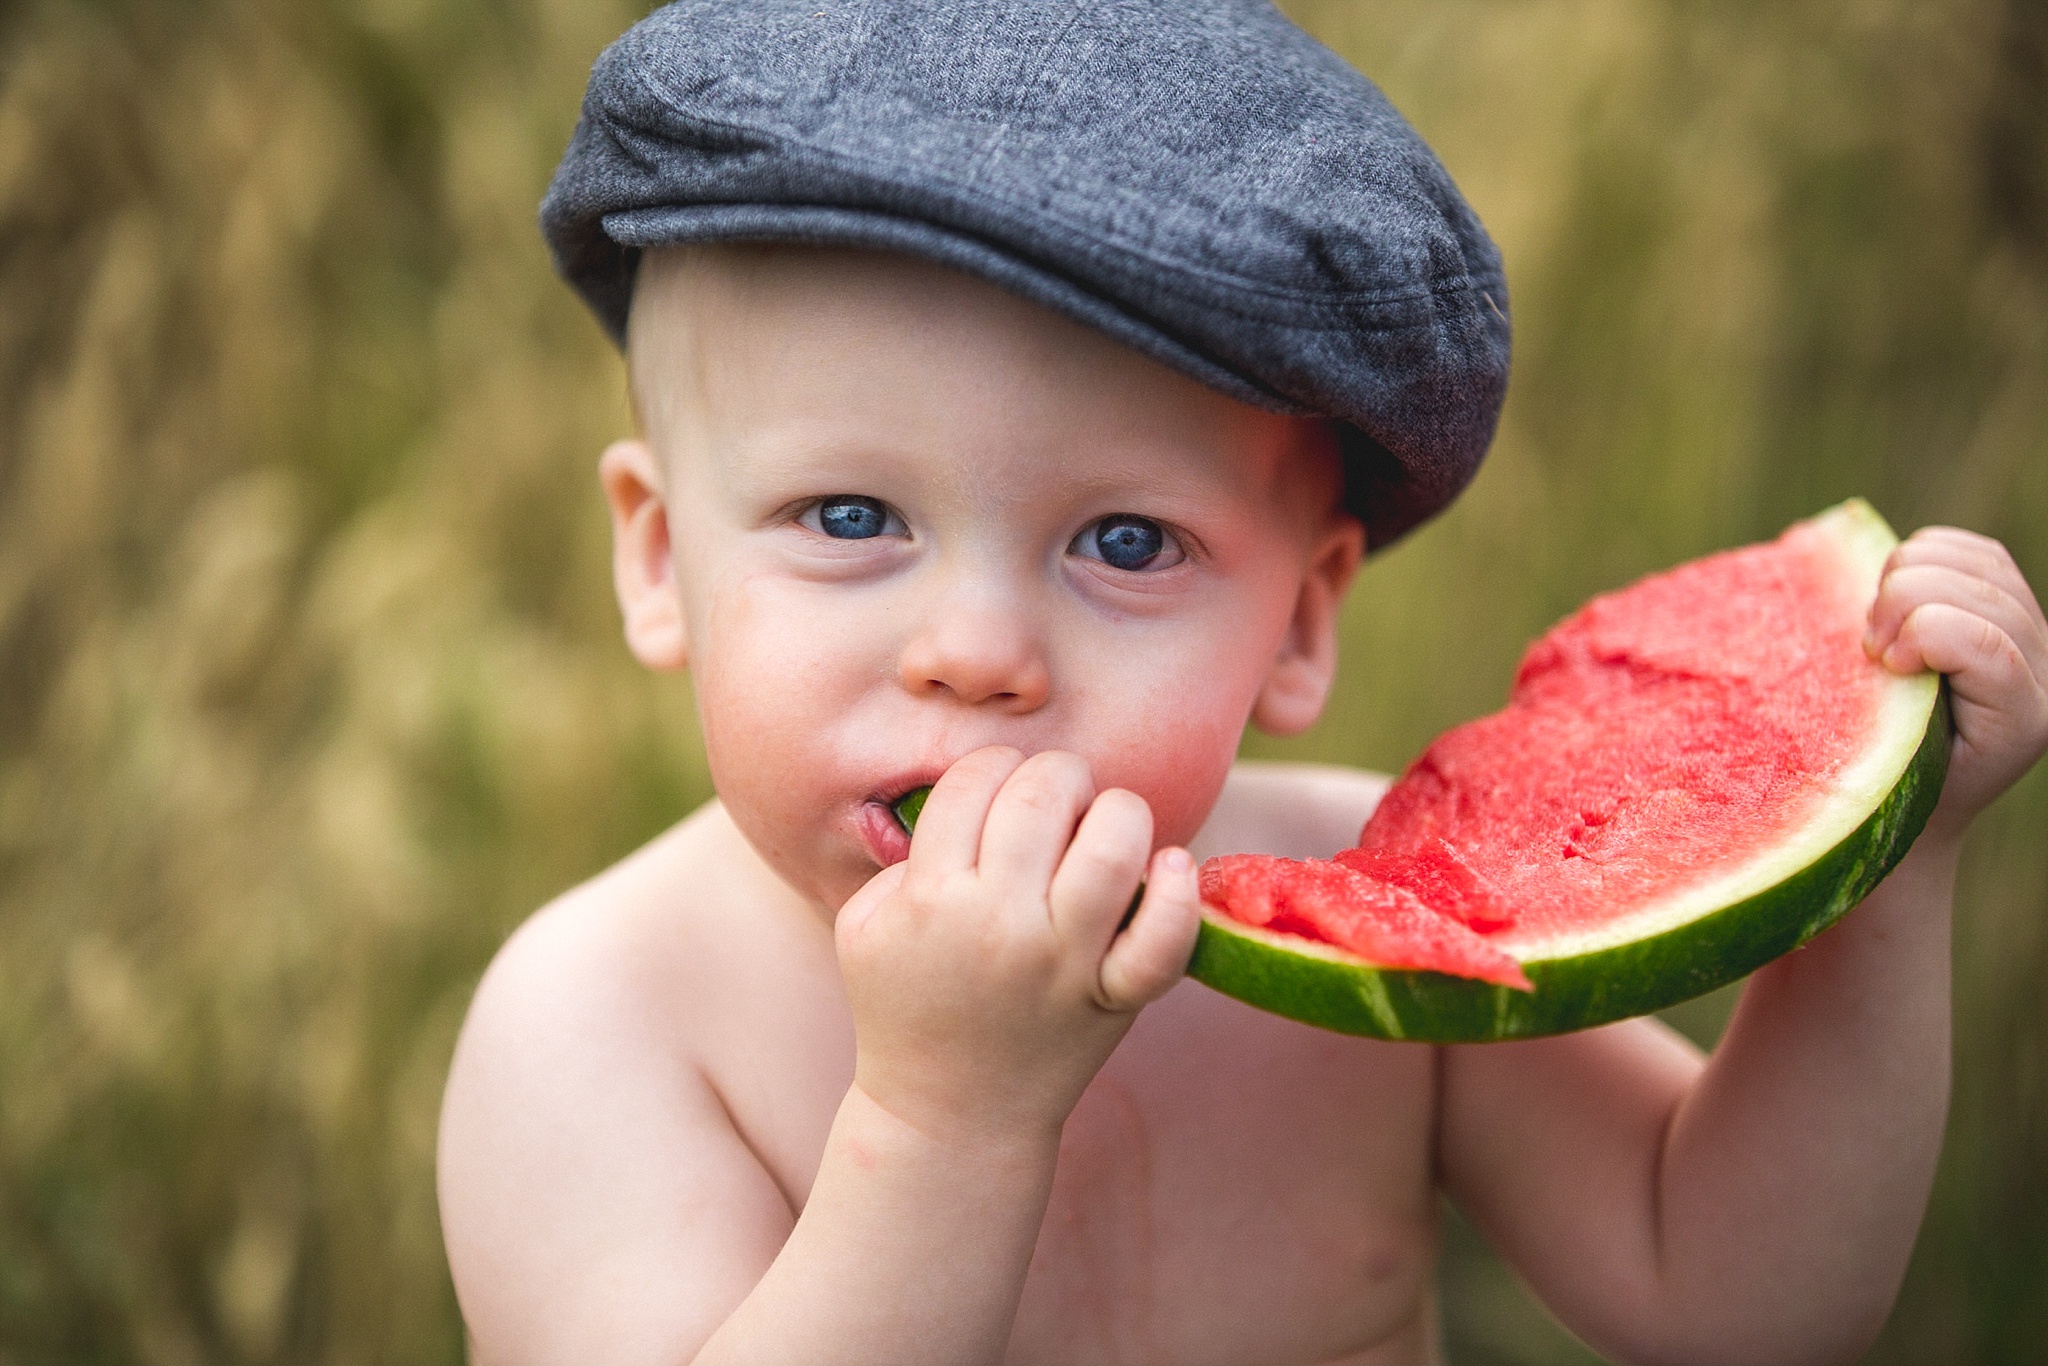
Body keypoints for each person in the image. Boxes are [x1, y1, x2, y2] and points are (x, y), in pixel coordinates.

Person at [436, 3, 2048, 1362]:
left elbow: (1741, 1299)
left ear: (1297, 622)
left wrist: (1886, 880)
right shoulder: (600, 1031)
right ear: (658, 558)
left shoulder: (1387, 916)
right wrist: (942, 1127)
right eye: (850, 517)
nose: (981, 653)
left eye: (1127, 539)